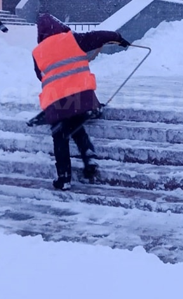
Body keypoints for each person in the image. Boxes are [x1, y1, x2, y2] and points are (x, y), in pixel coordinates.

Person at [33, 13, 129, 190]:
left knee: (60, 136)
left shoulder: (37, 52)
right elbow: (99, 36)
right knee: (76, 122)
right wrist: (118, 38)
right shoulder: (72, 39)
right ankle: (88, 154)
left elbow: (40, 76)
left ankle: (64, 178)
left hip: (56, 101)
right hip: (81, 97)